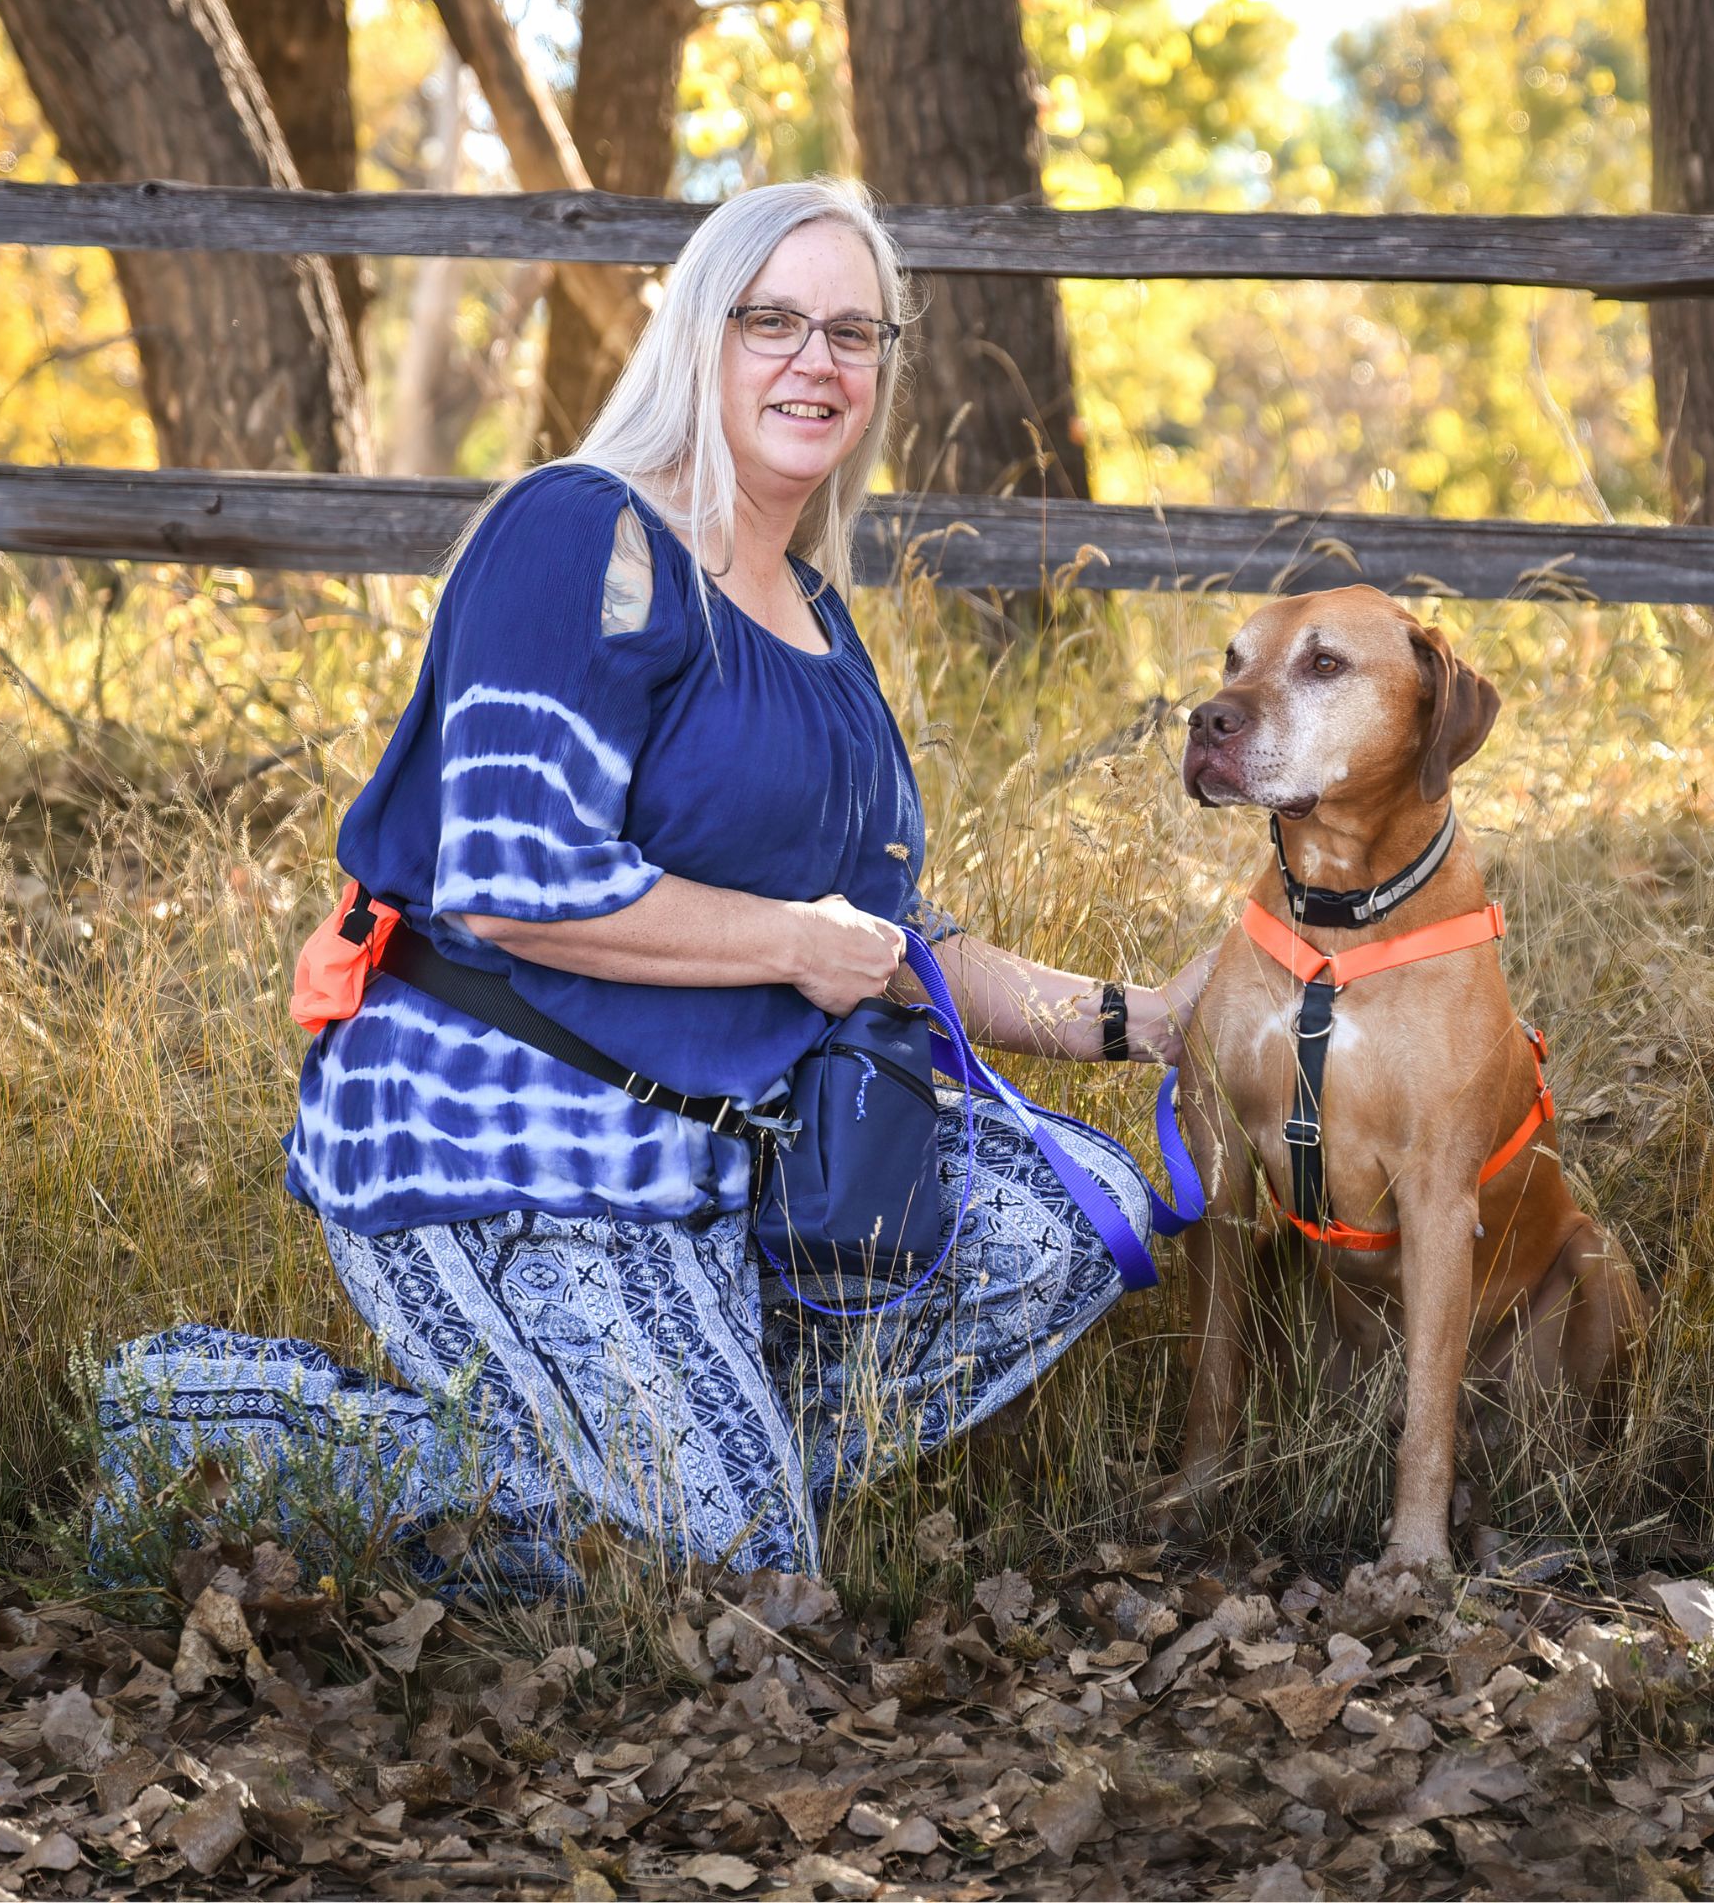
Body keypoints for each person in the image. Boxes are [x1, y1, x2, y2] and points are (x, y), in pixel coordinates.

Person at [94, 179, 1213, 1587]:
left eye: (855, 334)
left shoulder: (817, 615)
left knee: (1063, 1217)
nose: (818, 360)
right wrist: (797, 945)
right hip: (505, 1138)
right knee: (739, 1572)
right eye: (775, 321)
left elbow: (887, 940)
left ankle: (644, 1474)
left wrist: (1143, 1020)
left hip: (725, 1150)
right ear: (699, 334)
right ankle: (211, 1424)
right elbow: (511, 883)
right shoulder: (584, 533)